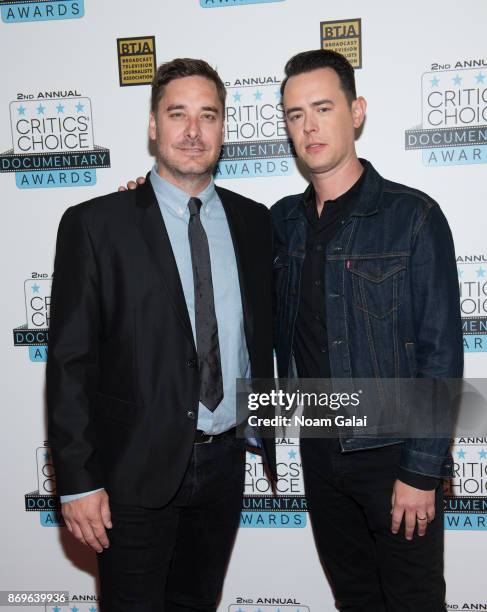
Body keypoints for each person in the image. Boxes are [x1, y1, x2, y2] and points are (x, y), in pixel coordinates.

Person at [47, 57, 275, 612]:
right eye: (178, 114)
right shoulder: (96, 224)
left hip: (224, 466)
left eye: (208, 115)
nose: (193, 131)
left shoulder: (255, 222)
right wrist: (77, 480)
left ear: (224, 127)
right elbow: (70, 361)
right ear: (153, 124)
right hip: (130, 474)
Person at [271, 49, 463, 611]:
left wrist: (422, 470)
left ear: (356, 112)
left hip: (394, 456)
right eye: (294, 113)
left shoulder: (413, 217)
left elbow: (441, 354)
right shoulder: (279, 223)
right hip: (320, 454)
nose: (308, 125)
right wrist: (148, 199)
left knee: (413, 602)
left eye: (323, 107)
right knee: (355, 601)